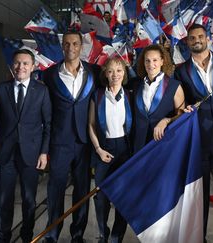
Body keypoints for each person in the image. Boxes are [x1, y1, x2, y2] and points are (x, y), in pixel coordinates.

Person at [174, 24, 213, 243]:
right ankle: (199, 238)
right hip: (198, 140)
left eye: (200, 36)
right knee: (198, 196)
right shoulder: (180, 70)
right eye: (192, 38)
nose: (197, 40)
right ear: (187, 42)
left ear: (208, 38)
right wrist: (182, 110)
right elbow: (179, 104)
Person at [0, 49, 52, 242]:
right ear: (11, 66)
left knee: (29, 200)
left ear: (33, 67)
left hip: (31, 155)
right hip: (5, 154)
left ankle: (27, 236)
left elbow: (48, 125)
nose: (20, 67)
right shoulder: (1, 89)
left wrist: (44, 152)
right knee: (4, 200)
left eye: (25, 63)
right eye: (16, 63)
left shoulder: (41, 90)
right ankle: (3, 237)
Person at [42, 30, 99, 243]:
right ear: (62, 46)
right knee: (55, 190)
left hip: (85, 142)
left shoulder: (94, 72)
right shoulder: (48, 75)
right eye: (67, 44)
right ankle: (52, 235)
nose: (71, 48)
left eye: (75, 43)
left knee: (82, 192)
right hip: (59, 142)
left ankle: (77, 235)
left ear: (81, 46)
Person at [88, 57, 131, 243]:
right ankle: (103, 234)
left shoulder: (130, 95)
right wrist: (98, 148)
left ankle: (116, 236)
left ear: (124, 73)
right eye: (111, 71)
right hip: (103, 148)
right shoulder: (97, 95)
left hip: (124, 149)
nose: (115, 75)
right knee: (101, 197)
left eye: (119, 70)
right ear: (105, 73)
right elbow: (90, 124)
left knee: (123, 196)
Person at [133, 44, 185, 152]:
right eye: (147, 60)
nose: (151, 64)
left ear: (162, 61)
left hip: (163, 142)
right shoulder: (136, 86)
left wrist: (166, 121)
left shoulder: (174, 86)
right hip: (139, 145)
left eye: (155, 60)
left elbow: (181, 115)